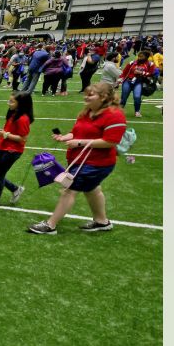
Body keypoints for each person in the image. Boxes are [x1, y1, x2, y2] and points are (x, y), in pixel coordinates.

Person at [27, 81, 128, 235]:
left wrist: (80, 143)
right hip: (81, 160)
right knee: (92, 190)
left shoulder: (115, 115)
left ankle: (50, 225)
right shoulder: (87, 112)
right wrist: (64, 137)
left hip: (97, 163)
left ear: (104, 97)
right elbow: (77, 132)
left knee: (69, 190)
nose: (86, 97)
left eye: (91, 95)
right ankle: (102, 222)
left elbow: (111, 141)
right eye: (86, 94)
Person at [118, 49, 157, 119]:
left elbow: (151, 74)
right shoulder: (132, 63)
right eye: (139, 56)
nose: (139, 58)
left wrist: (141, 73)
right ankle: (119, 111)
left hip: (139, 82)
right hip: (128, 81)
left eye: (141, 57)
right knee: (124, 97)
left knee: (137, 97)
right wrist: (120, 79)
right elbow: (124, 72)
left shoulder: (150, 64)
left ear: (146, 57)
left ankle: (137, 111)